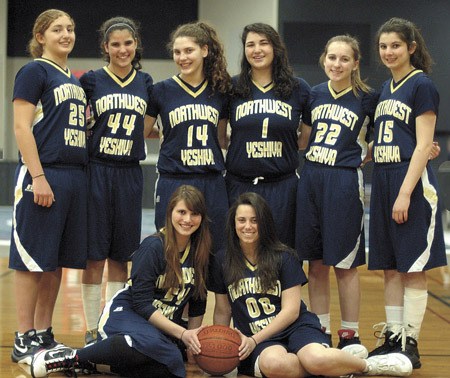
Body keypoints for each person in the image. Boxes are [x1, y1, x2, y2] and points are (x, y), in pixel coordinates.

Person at [211, 192, 413, 377]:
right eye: (242, 220)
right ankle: (335, 364)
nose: (248, 226)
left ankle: (368, 366)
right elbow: (222, 310)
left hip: (295, 327)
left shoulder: (283, 256)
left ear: (264, 223)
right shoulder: (223, 260)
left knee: (315, 358)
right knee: (275, 365)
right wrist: (221, 346)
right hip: (258, 338)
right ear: (233, 224)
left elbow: (291, 312)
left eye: (255, 221)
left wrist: (254, 339)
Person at [30, 185, 211, 378]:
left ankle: (96, 365)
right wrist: (182, 334)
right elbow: (141, 304)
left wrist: (193, 341)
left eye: (194, 214)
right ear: (170, 212)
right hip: (127, 313)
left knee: (172, 367)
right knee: (158, 347)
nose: (187, 219)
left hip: (158, 326)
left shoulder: (201, 252)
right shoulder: (153, 247)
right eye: (182, 212)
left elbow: (198, 301)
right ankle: (68, 356)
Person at [367, 17, 448, 369]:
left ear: (412, 48)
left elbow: (423, 145)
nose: (388, 51)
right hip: (383, 177)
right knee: (389, 267)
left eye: (395, 45)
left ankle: (410, 342)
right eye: (384, 46)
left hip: (409, 181)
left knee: (413, 268)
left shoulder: (422, 85)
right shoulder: (386, 87)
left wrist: (405, 192)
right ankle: (393, 337)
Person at [8, 9, 88, 365]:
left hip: (73, 177)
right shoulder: (33, 71)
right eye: (57, 29)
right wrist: (37, 176)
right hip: (43, 174)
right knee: (30, 262)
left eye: (70, 28)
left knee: (54, 263)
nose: (66, 34)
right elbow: (22, 128)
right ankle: (23, 336)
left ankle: (43, 332)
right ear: (41, 36)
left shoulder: (73, 77)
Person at [295, 35, 378, 352]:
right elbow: (304, 140)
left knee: (345, 265)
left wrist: (363, 156)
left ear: (355, 63)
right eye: (332, 57)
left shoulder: (368, 98)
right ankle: (320, 329)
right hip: (312, 176)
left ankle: (350, 334)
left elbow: (381, 138)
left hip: (343, 181)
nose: (337, 64)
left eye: (344, 59)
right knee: (315, 264)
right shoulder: (313, 95)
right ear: (324, 59)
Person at [78, 16, 154, 345]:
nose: (122, 49)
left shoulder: (146, 82)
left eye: (128, 43)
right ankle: (92, 326)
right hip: (96, 169)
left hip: (129, 172)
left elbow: (151, 128)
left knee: (120, 255)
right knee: (95, 255)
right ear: (105, 48)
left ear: (135, 45)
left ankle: (111, 322)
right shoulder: (92, 81)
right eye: (115, 44)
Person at [219, 23, 310, 248]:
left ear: (276, 48)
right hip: (240, 184)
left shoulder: (298, 88)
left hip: (282, 185)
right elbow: (220, 137)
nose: (256, 50)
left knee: (281, 252)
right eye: (250, 44)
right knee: (239, 253)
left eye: (263, 43)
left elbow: (304, 140)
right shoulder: (232, 87)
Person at [147, 21, 231, 255]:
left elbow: (221, 137)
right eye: (177, 52)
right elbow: (143, 132)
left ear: (204, 50)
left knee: (215, 252)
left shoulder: (220, 91)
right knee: (171, 250)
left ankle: (213, 294)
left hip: (211, 181)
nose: (182, 57)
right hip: (174, 179)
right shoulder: (160, 90)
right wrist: (168, 132)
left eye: (188, 51)